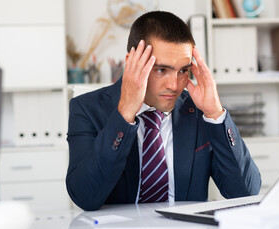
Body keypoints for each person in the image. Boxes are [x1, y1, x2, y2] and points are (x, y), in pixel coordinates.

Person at [66, 11, 261, 211]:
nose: (174, 85)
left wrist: (215, 114)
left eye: (183, 71)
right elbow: (85, 197)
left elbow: (245, 193)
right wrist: (124, 114)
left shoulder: (200, 111)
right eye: (161, 70)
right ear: (132, 62)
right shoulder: (85, 109)